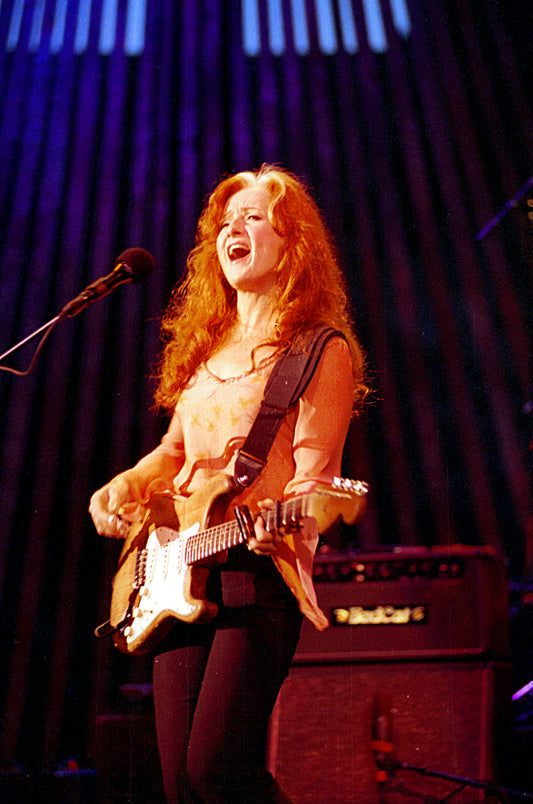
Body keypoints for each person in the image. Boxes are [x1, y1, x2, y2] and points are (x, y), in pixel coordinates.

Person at [89, 164, 368, 803]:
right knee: (180, 784)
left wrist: (298, 516)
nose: (232, 230)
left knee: (217, 770)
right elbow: (173, 450)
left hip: (254, 578)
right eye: (224, 221)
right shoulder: (205, 351)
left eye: (253, 217)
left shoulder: (318, 350)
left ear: (290, 241)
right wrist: (127, 483)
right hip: (176, 577)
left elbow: (317, 482)